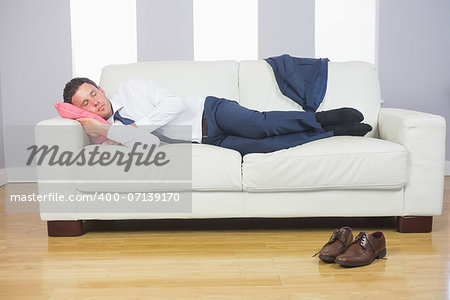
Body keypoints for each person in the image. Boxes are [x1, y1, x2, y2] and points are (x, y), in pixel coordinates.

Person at [63, 77, 372, 155]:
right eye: (85, 105)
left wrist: (134, 129)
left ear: (101, 89)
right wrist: (113, 133)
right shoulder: (115, 132)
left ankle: (323, 118)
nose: (94, 104)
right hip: (211, 141)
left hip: (212, 113)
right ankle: (334, 133)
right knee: (268, 147)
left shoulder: (131, 88)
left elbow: (172, 104)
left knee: (262, 126)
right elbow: (152, 147)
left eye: (93, 94)